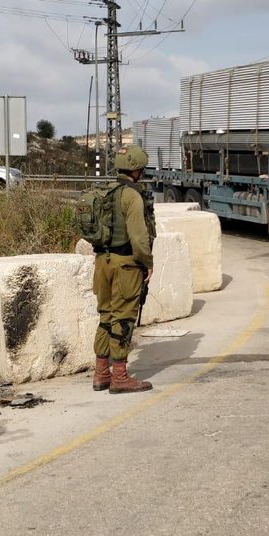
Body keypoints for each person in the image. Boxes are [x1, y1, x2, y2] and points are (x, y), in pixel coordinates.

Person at [92, 145, 157, 394]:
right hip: (126, 264)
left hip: (102, 262)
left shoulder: (105, 191)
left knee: (106, 317)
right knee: (124, 318)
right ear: (137, 169)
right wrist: (148, 263)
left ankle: (101, 374)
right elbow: (139, 238)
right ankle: (119, 376)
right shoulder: (132, 196)